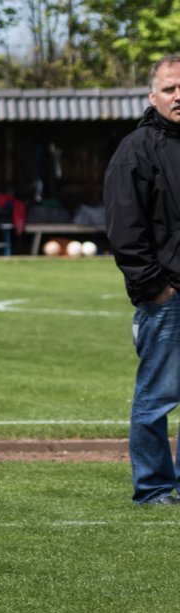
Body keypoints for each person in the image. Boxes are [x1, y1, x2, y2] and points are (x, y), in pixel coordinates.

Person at [105, 54, 180, 505]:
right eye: (170, 88)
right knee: (157, 399)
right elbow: (124, 230)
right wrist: (155, 288)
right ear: (152, 96)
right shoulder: (136, 149)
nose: (179, 96)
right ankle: (154, 488)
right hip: (167, 297)